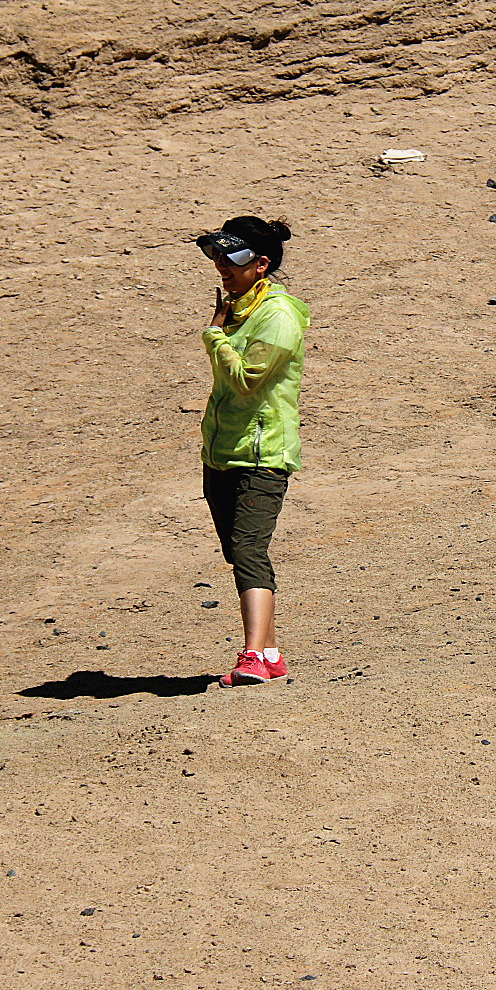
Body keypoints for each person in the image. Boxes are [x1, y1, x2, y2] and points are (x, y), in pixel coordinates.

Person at [194, 217, 308, 686]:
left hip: (262, 456)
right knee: (239, 553)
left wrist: (214, 336)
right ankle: (272, 652)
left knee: (248, 550)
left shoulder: (278, 316)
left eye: (233, 257)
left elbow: (246, 380)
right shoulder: (241, 308)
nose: (222, 265)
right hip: (221, 453)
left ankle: (254, 656)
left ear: (261, 264)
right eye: (217, 255)